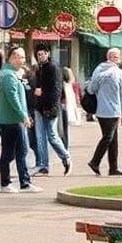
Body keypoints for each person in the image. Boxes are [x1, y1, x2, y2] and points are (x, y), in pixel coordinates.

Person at [0, 48, 39, 194]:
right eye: (19, 57)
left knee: (18, 151)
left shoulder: (11, 74)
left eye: (23, 57)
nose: (22, 60)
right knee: (14, 151)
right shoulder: (8, 75)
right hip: (11, 120)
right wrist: (23, 116)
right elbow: (12, 97)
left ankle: (22, 182)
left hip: (12, 119)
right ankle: (9, 182)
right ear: (11, 58)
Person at [86, 48, 122, 176]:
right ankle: (95, 161)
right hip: (114, 110)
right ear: (118, 58)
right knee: (108, 137)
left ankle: (113, 167)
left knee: (113, 139)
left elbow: (90, 89)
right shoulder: (120, 73)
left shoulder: (98, 70)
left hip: (101, 110)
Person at [32, 45, 71, 176]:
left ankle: (65, 156)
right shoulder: (39, 69)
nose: (41, 57)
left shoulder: (53, 68)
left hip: (49, 106)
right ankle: (43, 166)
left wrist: (51, 105)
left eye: (43, 54)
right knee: (40, 137)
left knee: (52, 135)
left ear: (48, 54)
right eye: (38, 55)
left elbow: (56, 90)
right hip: (39, 107)